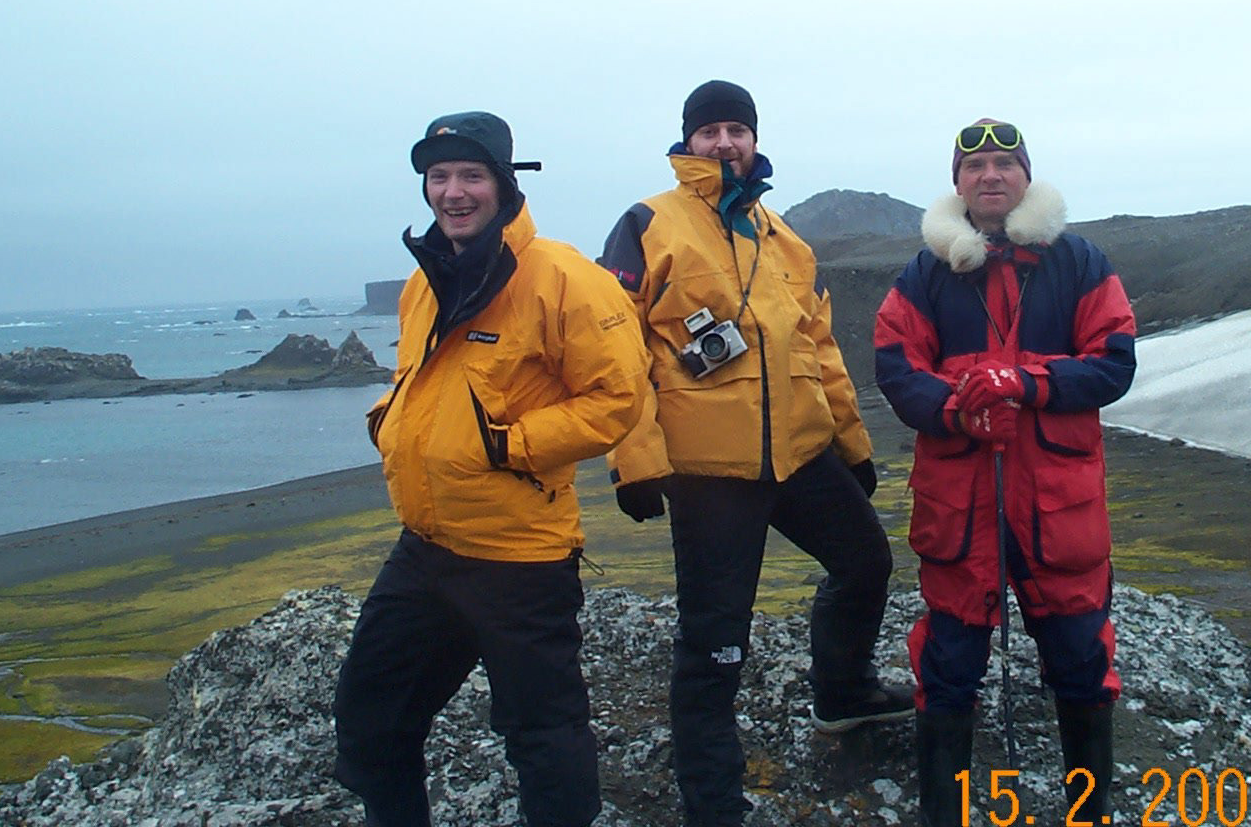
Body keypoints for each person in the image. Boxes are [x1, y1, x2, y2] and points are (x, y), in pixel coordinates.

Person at [601, 79, 913, 827]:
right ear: (687, 142)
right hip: (710, 476)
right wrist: (634, 458)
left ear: (753, 139)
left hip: (801, 457)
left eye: (736, 129)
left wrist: (851, 441)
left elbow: (818, 346)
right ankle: (713, 802)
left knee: (867, 561)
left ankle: (843, 696)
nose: (724, 143)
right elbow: (613, 347)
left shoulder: (784, 239)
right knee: (715, 643)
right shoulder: (649, 224)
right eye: (708, 131)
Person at [333, 111, 651, 827]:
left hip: (518, 559)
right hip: (426, 547)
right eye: (438, 176)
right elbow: (418, 376)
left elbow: (618, 397)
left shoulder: (565, 278)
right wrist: (390, 421)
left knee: (544, 738)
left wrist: (509, 446)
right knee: (369, 720)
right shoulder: (425, 280)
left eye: (470, 175)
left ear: (504, 184)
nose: (453, 192)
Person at [873, 119, 1136, 827]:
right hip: (960, 509)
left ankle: (1089, 813)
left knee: (1083, 660)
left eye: (1004, 164)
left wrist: (1024, 385)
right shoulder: (925, 274)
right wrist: (961, 410)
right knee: (949, 666)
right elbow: (896, 369)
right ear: (956, 184)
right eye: (975, 166)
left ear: (1025, 176)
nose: (990, 176)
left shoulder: (1081, 262)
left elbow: (1114, 362)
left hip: (1059, 509)